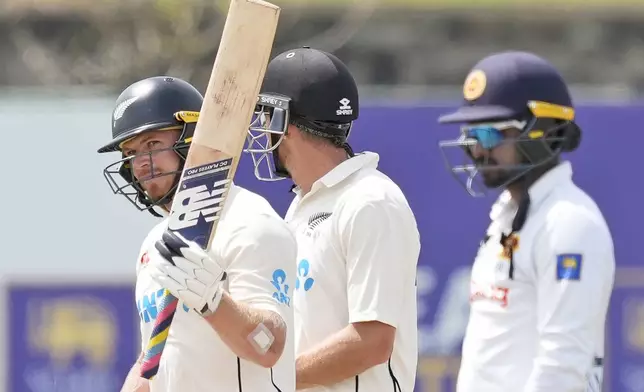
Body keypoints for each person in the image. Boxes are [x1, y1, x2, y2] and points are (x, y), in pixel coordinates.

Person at [97, 75, 297, 392]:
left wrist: (211, 300)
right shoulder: (154, 244)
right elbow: (156, 360)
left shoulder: (250, 222)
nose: (141, 163)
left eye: (152, 145)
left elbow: (269, 346)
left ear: (192, 139)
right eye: (131, 153)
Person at [436, 51, 615, 392]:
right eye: (472, 136)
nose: (477, 151)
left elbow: (563, 367)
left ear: (545, 130)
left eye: (490, 134)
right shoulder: (508, 215)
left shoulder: (569, 224)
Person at [245, 46, 421, 392]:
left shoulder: (371, 202)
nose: (262, 128)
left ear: (284, 121)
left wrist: (273, 380)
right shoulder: (304, 205)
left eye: (266, 115)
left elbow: (371, 341)